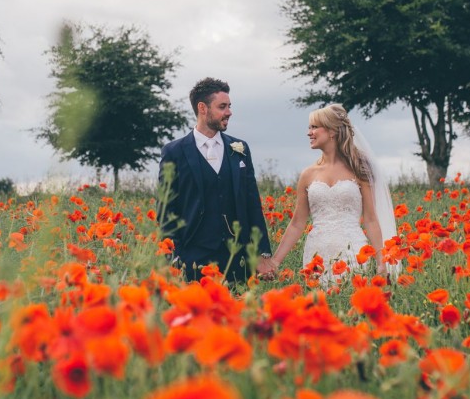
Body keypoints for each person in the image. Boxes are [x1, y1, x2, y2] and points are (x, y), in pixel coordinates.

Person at [263, 104, 396, 285]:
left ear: (332, 131)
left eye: (314, 127)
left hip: (354, 252)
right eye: (309, 127)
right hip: (316, 255)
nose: (308, 132)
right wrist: (275, 262)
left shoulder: (359, 169)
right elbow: (297, 223)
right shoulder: (308, 175)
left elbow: (371, 219)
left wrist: (381, 261)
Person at [157, 77, 274, 283]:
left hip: (237, 258)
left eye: (229, 106)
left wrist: (262, 253)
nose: (229, 112)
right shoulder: (174, 152)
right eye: (222, 107)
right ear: (202, 108)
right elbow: (166, 210)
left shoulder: (240, 148)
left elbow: (252, 203)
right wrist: (172, 258)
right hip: (192, 258)